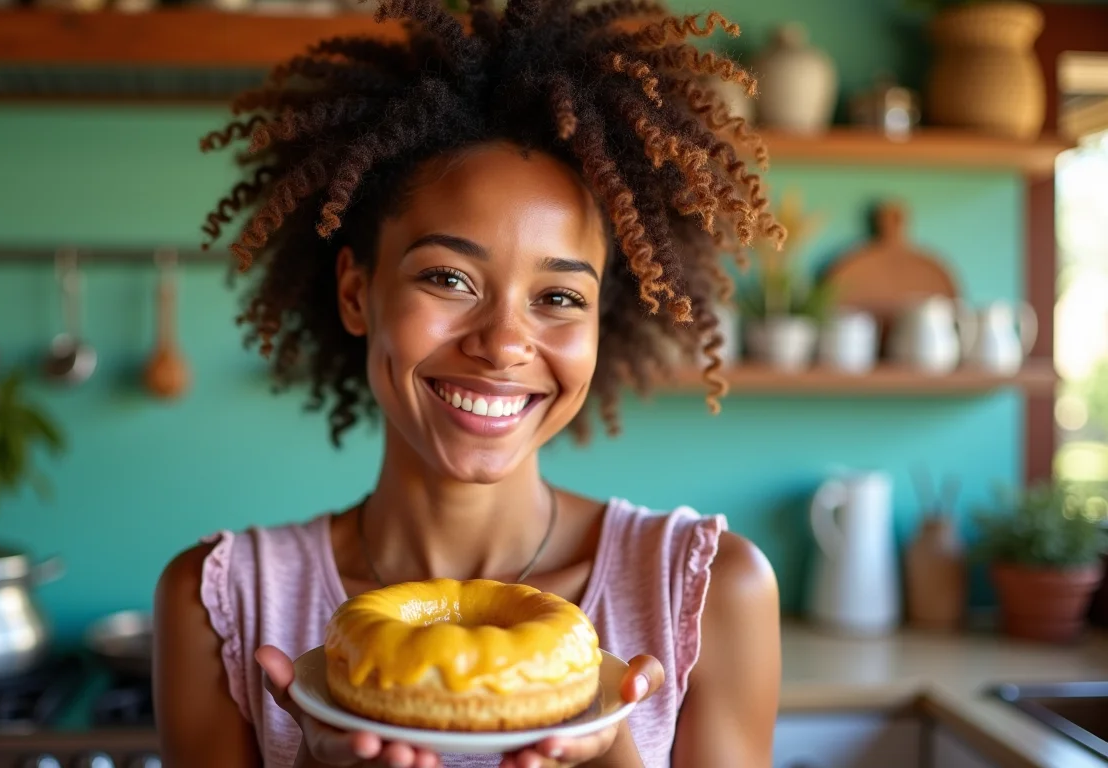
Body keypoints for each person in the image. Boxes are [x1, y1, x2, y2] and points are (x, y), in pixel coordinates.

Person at [154, 0, 783, 765]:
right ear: (357, 293)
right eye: (449, 278)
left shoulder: (709, 591)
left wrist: (610, 753)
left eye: (558, 298)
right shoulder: (220, 601)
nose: (504, 343)